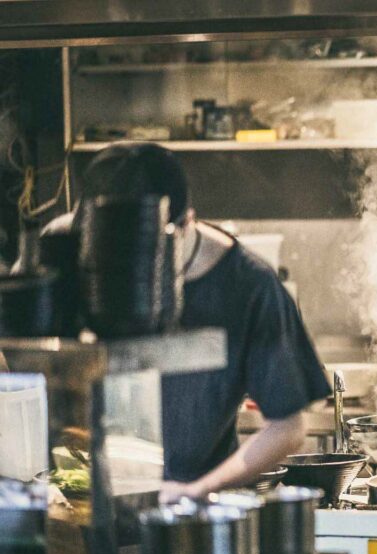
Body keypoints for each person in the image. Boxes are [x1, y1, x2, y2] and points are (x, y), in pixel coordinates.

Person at [71, 143, 330, 501]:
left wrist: (195, 490)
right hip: (86, 499)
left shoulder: (249, 287)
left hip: (189, 512)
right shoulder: (80, 257)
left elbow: (287, 427)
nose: (127, 272)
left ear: (184, 222)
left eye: (147, 252)